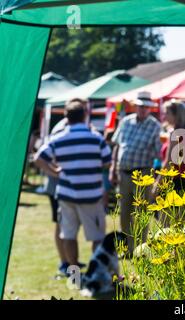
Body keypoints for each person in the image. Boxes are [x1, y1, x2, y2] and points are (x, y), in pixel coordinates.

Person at [34, 101, 111, 268]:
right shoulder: (96, 138)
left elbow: (38, 158)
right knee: (97, 238)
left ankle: (74, 277)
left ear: (66, 118)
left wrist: (55, 171)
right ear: (84, 115)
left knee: (68, 236)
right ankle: (96, 276)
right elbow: (107, 162)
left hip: (67, 194)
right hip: (92, 195)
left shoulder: (58, 138)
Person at [40, 98, 89, 275]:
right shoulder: (63, 128)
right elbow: (47, 156)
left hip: (64, 185)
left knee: (65, 226)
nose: (86, 112)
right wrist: (56, 172)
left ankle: (69, 262)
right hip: (57, 186)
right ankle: (64, 263)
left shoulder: (71, 126)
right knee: (62, 226)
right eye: (83, 109)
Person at [110, 91, 161, 255]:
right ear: (136, 106)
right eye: (140, 106)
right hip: (123, 172)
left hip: (143, 174)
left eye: (146, 107)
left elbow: (159, 153)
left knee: (141, 215)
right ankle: (126, 248)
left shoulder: (155, 126)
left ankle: (139, 249)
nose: (143, 109)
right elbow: (117, 145)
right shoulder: (125, 121)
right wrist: (113, 167)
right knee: (124, 213)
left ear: (150, 108)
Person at [161, 99, 185, 192]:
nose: (165, 116)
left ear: (175, 115)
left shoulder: (175, 133)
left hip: (176, 181)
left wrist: (157, 184)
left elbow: (169, 162)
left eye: (167, 113)